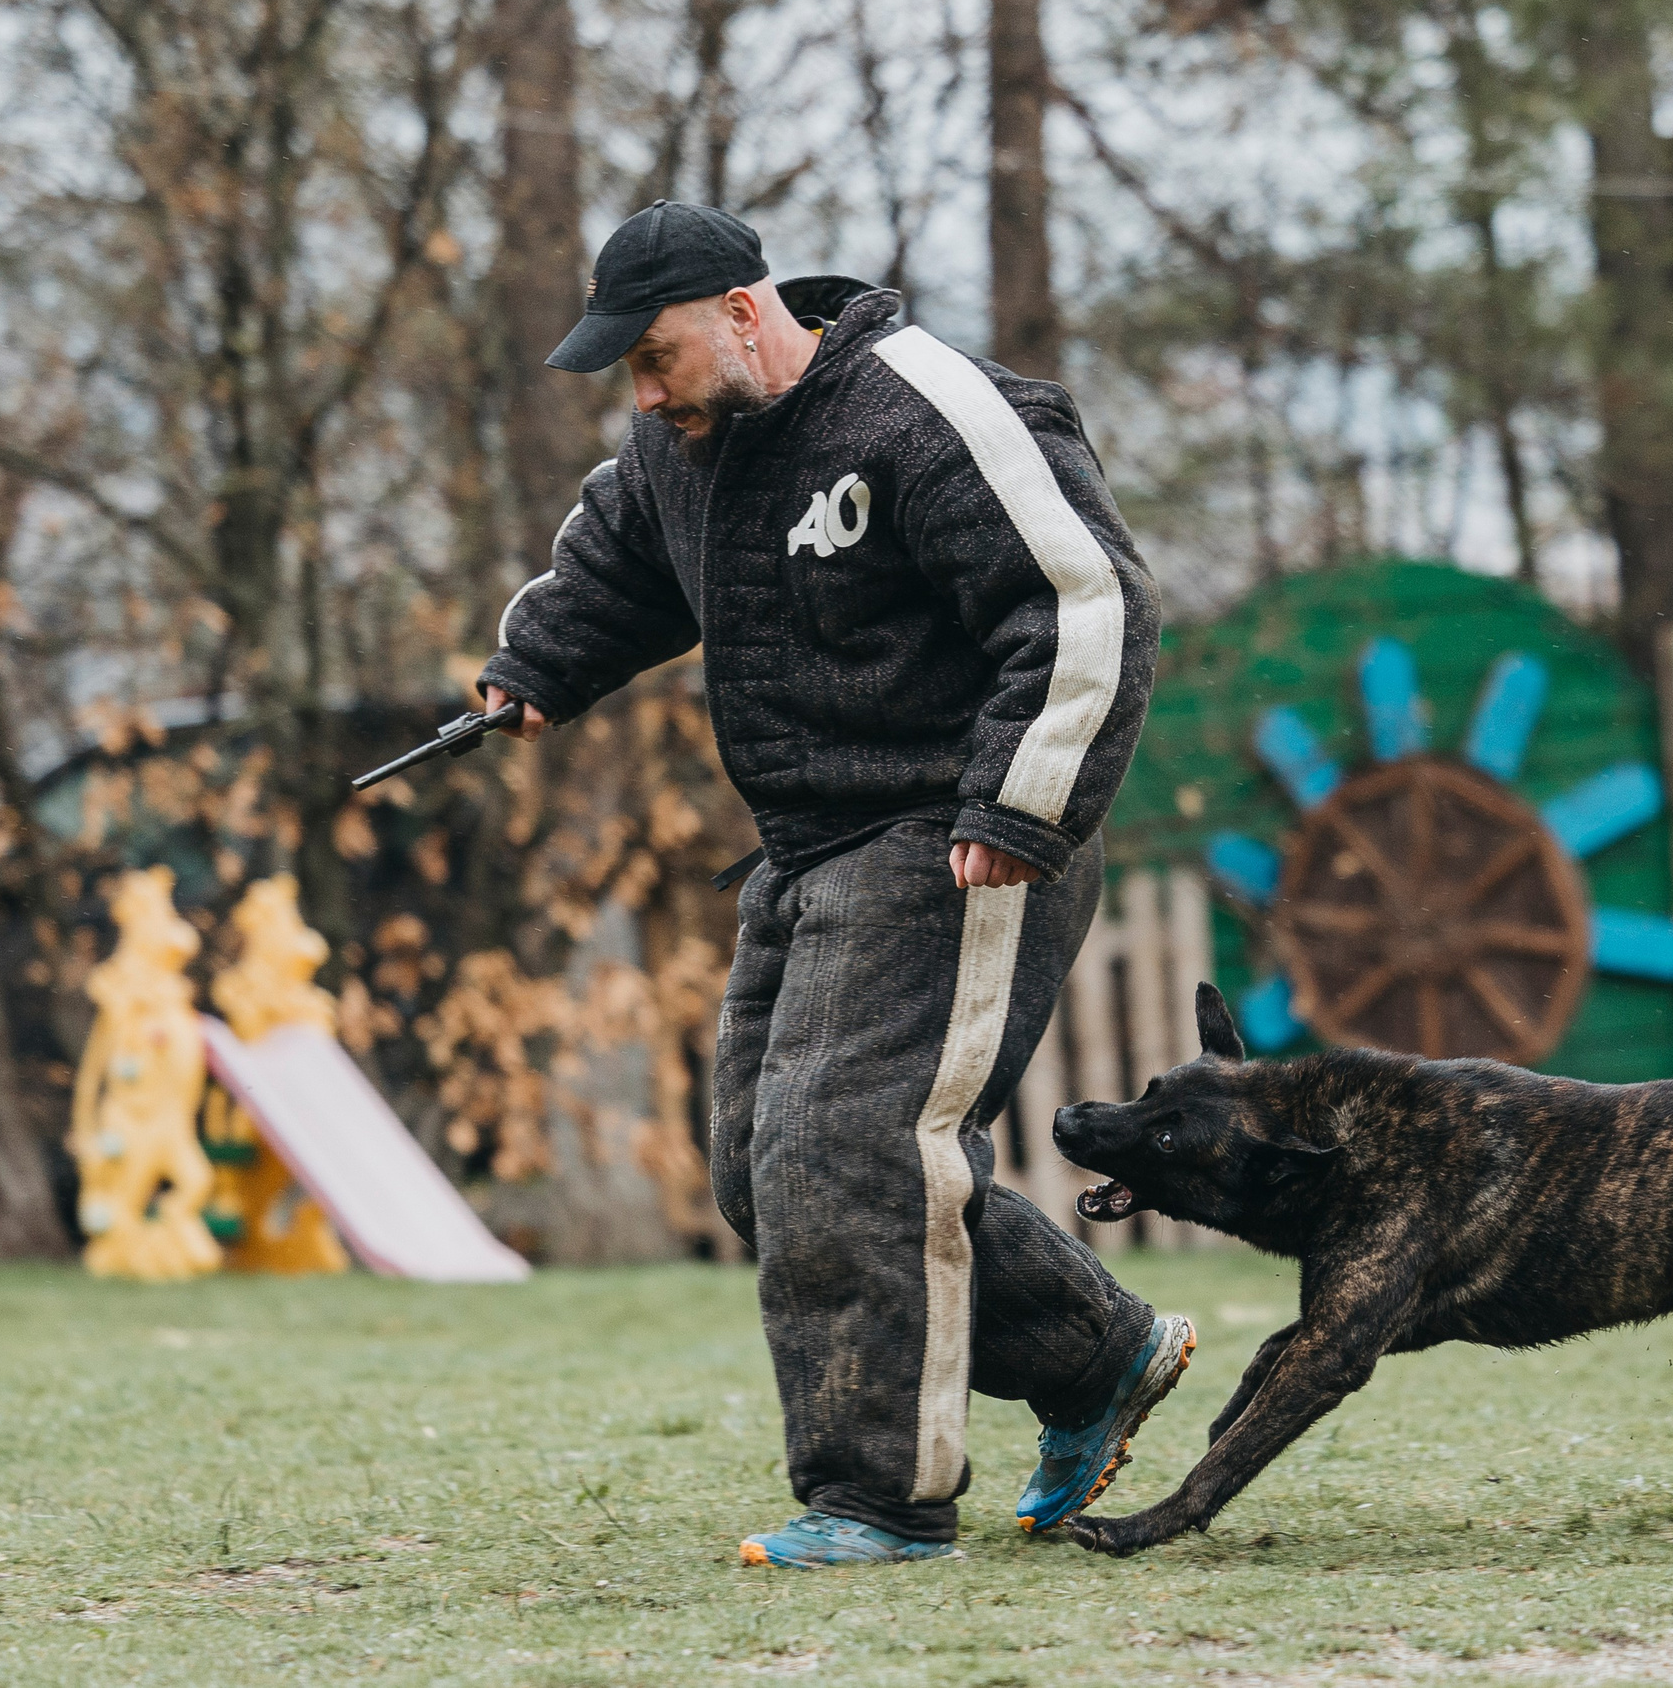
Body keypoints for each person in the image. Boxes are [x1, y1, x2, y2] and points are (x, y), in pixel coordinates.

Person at [476, 200, 1192, 1568]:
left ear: (744, 315)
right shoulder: (686, 446)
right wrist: (537, 669)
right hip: (807, 846)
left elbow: (1088, 603)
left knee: (844, 1148)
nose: (643, 394)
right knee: (766, 1168)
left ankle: (880, 1500)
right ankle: (1098, 1353)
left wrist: (1021, 802)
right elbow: (620, 560)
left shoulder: (926, 411)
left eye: (654, 358)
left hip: (958, 828)